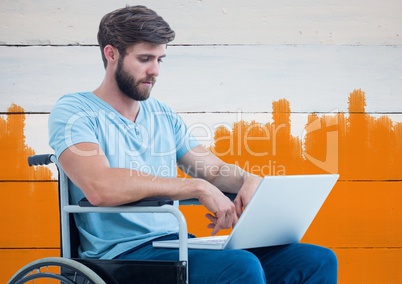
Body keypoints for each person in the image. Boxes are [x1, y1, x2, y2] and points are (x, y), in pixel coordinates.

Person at [49, 5, 338, 283]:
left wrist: (247, 179)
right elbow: (101, 187)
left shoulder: (161, 114)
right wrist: (196, 187)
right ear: (111, 53)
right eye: (145, 58)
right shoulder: (74, 111)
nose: (155, 71)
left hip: (175, 245)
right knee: (239, 267)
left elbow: (211, 170)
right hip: (122, 256)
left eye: (160, 59)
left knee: (316, 261)